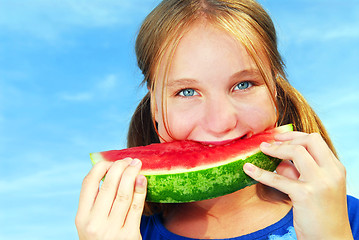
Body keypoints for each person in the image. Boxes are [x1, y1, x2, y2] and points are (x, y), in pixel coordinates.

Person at [75, 0, 359, 239]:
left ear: (274, 90)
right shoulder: (119, 231)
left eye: (244, 84)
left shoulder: (347, 219)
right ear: (156, 109)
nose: (221, 121)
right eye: (187, 92)